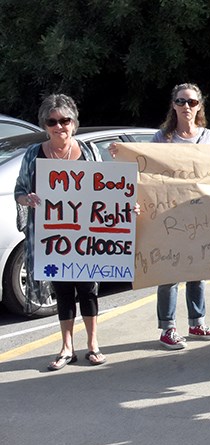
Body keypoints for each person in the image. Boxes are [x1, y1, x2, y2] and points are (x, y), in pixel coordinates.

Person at [15, 94, 106, 370]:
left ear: (73, 123)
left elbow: (106, 191)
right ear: (45, 125)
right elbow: (19, 190)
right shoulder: (34, 154)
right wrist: (27, 199)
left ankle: (93, 345)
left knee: (88, 290)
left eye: (65, 120)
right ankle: (67, 347)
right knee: (64, 291)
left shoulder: (89, 152)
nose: (59, 126)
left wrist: (125, 209)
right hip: (51, 236)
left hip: (85, 235)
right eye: (52, 121)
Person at [151, 83, 210, 349]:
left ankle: (196, 323)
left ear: (199, 106)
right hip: (169, 214)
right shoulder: (162, 138)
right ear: (173, 105)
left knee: (198, 268)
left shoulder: (208, 137)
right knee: (169, 271)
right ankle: (168, 328)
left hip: (200, 213)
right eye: (181, 102)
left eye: (192, 102)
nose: (186, 107)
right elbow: (146, 171)